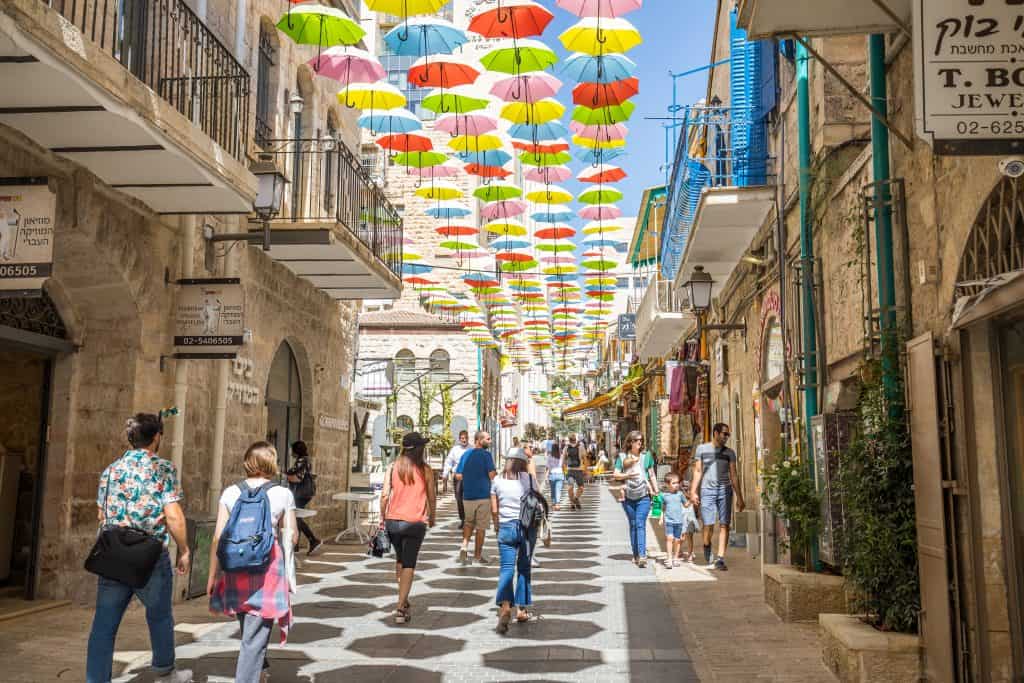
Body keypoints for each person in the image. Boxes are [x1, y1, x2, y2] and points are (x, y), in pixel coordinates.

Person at [87, 414, 192, 683]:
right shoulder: (163, 468)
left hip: (113, 554)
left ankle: (97, 679)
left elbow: (102, 514)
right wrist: (183, 549)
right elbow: (173, 515)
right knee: (159, 616)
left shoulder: (110, 471)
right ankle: (165, 673)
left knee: (104, 624)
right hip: (149, 554)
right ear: (156, 437)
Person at [379, 432, 436, 624]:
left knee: (400, 559)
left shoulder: (392, 467)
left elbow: (385, 495)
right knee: (409, 563)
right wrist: (433, 516)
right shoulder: (425, 470)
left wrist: (382, 516)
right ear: (419, 449)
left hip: (393, 521)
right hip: (415, 522)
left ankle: (403, 598)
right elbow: (431, 496)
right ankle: (400, 607)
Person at [490, 449, 545, 632]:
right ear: (523, 462)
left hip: (506, 527)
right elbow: (538, 499)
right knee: (524, 568)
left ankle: (505, 607)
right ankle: (521, 609)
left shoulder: (497, 480)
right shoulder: (528, 479)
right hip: (527, 527)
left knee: (506, 568)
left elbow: (495, 508)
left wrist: (497, 525)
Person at [691, 422, 745, 571]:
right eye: (724, 434)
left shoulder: (730, 453)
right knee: (708, 525)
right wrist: (693, 492)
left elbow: (733, 475)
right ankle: (707, 544)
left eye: (728, 434)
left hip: (725, 490)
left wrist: (739, 497)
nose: (727, 437)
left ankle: (720, 558)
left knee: (724, 524)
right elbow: (697, 471)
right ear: (715, 433)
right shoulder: (702, 449)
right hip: (707, 491)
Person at [613, 431, 659, 567]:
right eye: (637, 440)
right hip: (628, 496)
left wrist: (656, 491)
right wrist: (627, 476)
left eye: (641, 440)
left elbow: (651, 475)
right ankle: (636, 554)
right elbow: (616, 474)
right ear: (630, 442)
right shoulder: (622, 457)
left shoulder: (647, 456)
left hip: (644, 495)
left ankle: (642, 555)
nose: (640, 442)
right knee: (633, 524)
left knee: (640, 524)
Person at [455, 431, 497, 565]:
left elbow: (458, 475)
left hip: (467, 496)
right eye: (488, 439)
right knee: (481, 527)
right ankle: (477, 556)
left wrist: (470, 476)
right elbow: (492, 475)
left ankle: (464, 546)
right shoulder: (486, 455)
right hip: (483, 496)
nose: (490, 441)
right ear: (479, 440)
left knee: (468, 523)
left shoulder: (466, 454)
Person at [286, 440, 323, 556]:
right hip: (304, 493)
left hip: (301, 493)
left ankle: (312, 540)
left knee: (295, 517)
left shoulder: (302, 460)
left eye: (293, 450)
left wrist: (286, 476)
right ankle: (298, 545)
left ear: (296, 451)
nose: (291, 452)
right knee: (297, 517)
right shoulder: (305, 459)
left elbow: (298, 478)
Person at [660, 473, 697, 567]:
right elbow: (663, 508)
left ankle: (675, 558)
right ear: (667, 484)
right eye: (673, 483)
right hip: (669, 521)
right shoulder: (664, 495)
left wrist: (691, 501)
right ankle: (669, 558)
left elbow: (686, 505)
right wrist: (661, 518)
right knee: (669, 538)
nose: (676, 485)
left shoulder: (680, 494)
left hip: (679, 521)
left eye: (677, 483)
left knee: (677, 540)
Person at [442, 430, 469, 513]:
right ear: (459, 439)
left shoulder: (472, 449)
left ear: (468, 438)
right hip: (458, 477)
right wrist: (445, 474)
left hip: (469, 477)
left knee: (469, 498)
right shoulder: (455, 449)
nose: (464, 440)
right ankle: (462, 518)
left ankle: (469, 518)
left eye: (465, 438)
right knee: (458, 497)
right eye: (462, 438)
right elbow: (448, 462)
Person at [563, 434, 586, 511]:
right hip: (579, 470)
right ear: (575, 439)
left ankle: (572, 504)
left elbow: (563, 460)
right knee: (581, 487)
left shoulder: (566, 448)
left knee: (570, 487)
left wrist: (564, 470)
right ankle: (576, 498)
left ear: (569, 440)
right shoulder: (581, 447)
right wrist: (585, 470)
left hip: (570, 470)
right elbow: (585, 459)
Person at [546, 438, 565, 511]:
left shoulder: (550, 456)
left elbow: (547, 467)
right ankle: (557, 504)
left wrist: (546, 475)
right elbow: (563, 465)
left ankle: (554, 504)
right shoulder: (561, 456)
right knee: (558, 490)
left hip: (552, 475)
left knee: (553, 490)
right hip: (560, 474)